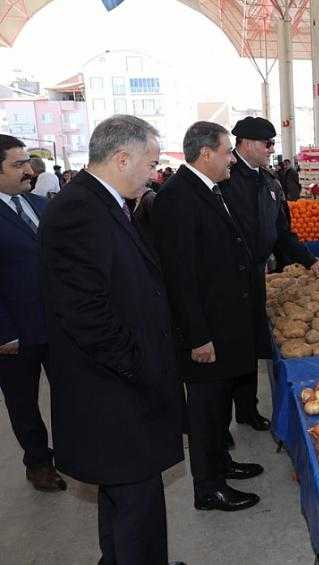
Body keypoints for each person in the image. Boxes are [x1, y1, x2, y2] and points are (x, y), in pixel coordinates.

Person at [40, 115, 184, 563]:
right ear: (122, 158)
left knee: (127, 496)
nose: (154, 173)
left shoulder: (105, 203)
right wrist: (141, 367)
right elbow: (87, 314)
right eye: (151, 163)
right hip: (113, 388)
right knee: (135, 500)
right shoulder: (79, 211)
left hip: (121, 383)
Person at [153, 121, 263, 512]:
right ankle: (208, 487)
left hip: (224, 324)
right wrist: (198, 336)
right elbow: (180, 277)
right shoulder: (177, 198)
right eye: (226, 151)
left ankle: (221, 463)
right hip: (206, 331)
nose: (231, 158)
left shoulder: (208, 189)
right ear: (205, 154)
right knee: (204, 410)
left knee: (218, 407)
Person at [222, 117, 319, 432]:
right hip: (229, 276)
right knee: (231, 345)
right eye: (268, 144)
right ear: (248, 143)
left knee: (251, 342)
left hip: (256, 273)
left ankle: (247, 409)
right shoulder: (225, 179)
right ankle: (221, 422)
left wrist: (309, 260)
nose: (271, 150)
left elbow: (282, 232)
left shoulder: (268, 182)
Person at [0, 135, 65, 492]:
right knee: (23, 402)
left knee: (68, 392)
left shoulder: (39, 205)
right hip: (14, 333)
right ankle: (38, 461)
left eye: (27, 162)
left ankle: (74, 452)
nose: (29, 170)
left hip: (55, 325)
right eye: (18, 164)